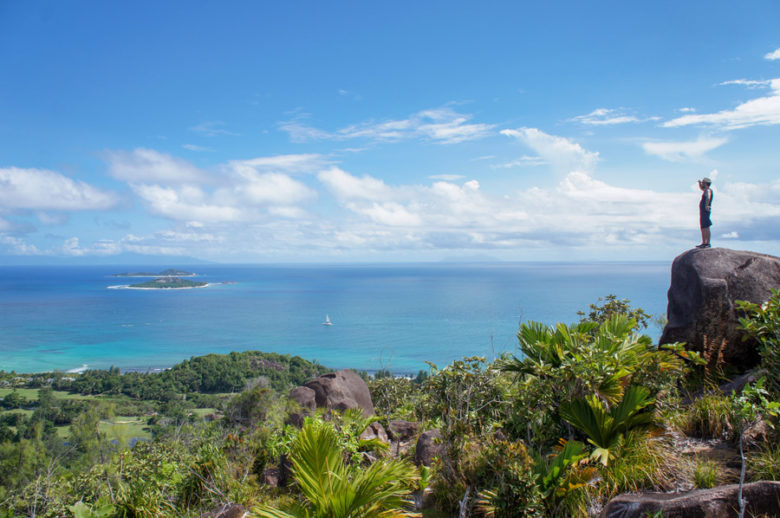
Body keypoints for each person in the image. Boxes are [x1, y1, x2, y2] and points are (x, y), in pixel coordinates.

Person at [697, 177, 713, 248]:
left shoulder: (708, 190)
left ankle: (707, 243)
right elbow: (701, 188)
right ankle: (704, 242)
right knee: (703, 226)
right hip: (703, 210)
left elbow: (708, 198)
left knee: (706, 226)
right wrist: (699, 183)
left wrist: (706, 205)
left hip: (705, 210)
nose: (702, 184)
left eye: (703, 183)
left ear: (706, 183)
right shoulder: (705, 190)